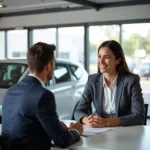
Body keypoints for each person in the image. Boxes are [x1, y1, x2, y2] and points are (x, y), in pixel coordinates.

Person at [2, 42, 83, 150]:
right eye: (54, 63)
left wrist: (55, 126)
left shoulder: (11, 91)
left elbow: (24, 126)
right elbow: (62, 140)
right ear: (49, 66)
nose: (54, 68)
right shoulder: (44, 95)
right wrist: (76, 130)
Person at [74, 40, 145, 127]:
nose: (101, 61)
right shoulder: (92, 80)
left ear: (118, 60)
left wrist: (107, 122)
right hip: (100, 132)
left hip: (125, 132)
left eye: (106, 57)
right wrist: (88, 120)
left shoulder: (131, 80)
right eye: (99, 57)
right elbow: (78, 111)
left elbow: (139, 116)